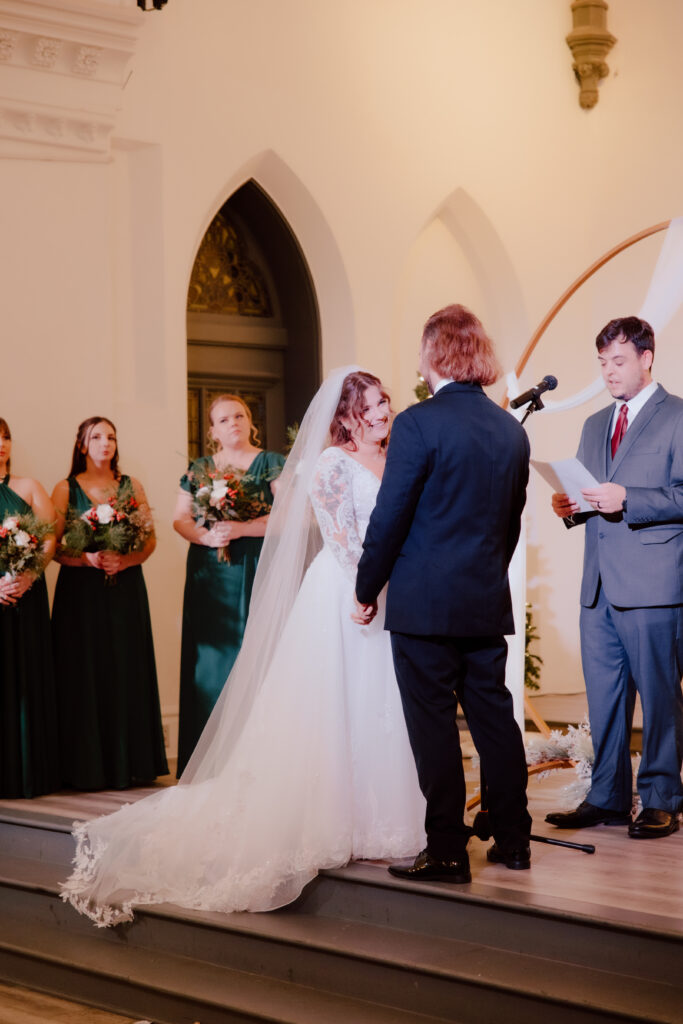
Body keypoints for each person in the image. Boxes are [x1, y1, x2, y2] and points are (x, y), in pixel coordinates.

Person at [60, 369, 425, 925]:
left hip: (390, 592)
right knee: (337, 703)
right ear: (348, 414)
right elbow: (339, 533)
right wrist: (365, 589)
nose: (384, 412)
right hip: (348, 591)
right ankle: (330, 817)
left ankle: (384, 817)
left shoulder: (398, 457)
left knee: (382, 703)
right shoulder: (330, 463)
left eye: (386, 403)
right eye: (373, 405)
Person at [355, 304, 532, 881]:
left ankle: (450, 851)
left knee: (433, 728)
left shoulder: (417, 424)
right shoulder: (510, 429)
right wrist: (483, 576)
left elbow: (390, 518)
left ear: (433, 354)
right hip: (483, 601)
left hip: (425, 606)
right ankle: (513, 840)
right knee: (496, 724)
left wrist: (366, 587)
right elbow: (510, 523)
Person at [545, 316, 683, 839]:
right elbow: (586, 492)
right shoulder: (595, 423)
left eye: (618, 361)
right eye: (602, 362)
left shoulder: (678, 418)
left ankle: (663, 797)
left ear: (648, 357)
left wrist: (631, 499)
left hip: (654, 583)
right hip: (598, 584)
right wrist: (568, 506)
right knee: (603, 700)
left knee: (660, 697)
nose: (609, 372)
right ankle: (606, 797)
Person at [51, 417, 168, 790]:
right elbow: (52, 547)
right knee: (83, 670)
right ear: (82, 445)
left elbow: (149, 540)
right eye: (97, 437)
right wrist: (85, 559)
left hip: (125, 590)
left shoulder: (131, 486)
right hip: (80, 597)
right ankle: (84, 768)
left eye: (111, 437)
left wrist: (126, 560)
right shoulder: (65, 489)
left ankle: (127, 764)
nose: (106, 443)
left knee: (124, 667)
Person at [173, 395, 284, 775]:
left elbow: (290, 519)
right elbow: (180, 519)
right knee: (210, 659)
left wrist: (242, 528)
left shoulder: (271, 463)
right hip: (209, 570)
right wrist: (207, 538)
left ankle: (253, 759)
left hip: (254, 564)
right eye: (223, 419)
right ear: (212, 430)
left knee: (251, 651)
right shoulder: (200, 468)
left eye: (239, 416)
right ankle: (206, 759)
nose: (232, 422)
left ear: (250, 421)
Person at [0, 418, 61, 798]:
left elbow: (50, 536)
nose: (0, 444)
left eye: (4, 437)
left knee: (27, 676)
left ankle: (28, 774)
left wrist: (30, 574)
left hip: (27, 594)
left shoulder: (29, 486)